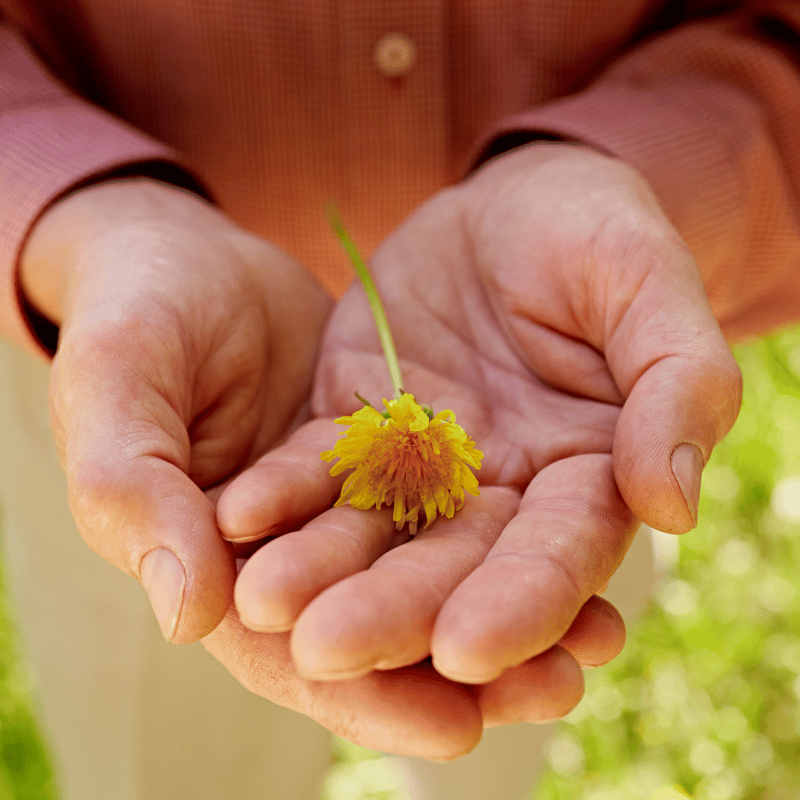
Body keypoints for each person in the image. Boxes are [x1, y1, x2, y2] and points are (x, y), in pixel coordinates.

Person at [0, 1, 798, 798]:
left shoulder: (545, 419)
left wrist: (637, 164)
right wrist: (88, 214)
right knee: (175, 738)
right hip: (171, 379)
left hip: (563, 379)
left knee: (496, 679)